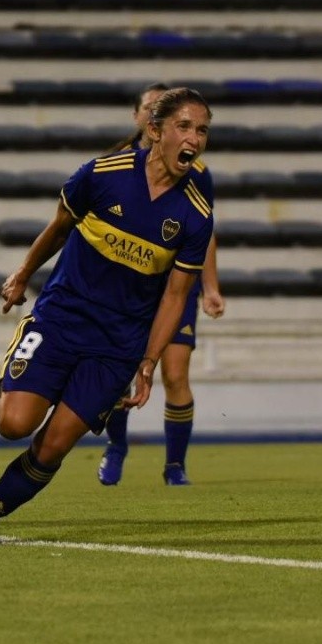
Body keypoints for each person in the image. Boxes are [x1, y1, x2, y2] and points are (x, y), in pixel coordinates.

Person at [0, 87, 215, 545]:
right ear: (154, 131)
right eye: (184, 126)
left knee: (54, 445)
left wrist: (148, 362)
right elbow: (59, 227)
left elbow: (176, 296)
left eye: (202, 130)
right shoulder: (102, 173)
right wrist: (21, 275)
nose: (194, 137)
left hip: (117, 345)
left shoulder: (196, 213)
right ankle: (30, 374)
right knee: (13, 424)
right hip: (61, 320)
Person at [98, 83, 225, 487]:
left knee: (175, 374)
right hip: (129, 289)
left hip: (175, 286)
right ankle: (117, 445)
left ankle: (175, 466)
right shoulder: (115, 166)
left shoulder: (196, 173)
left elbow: (204, 231)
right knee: (118, 375)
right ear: (142, 120)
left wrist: (211, 287)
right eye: (150, 108)